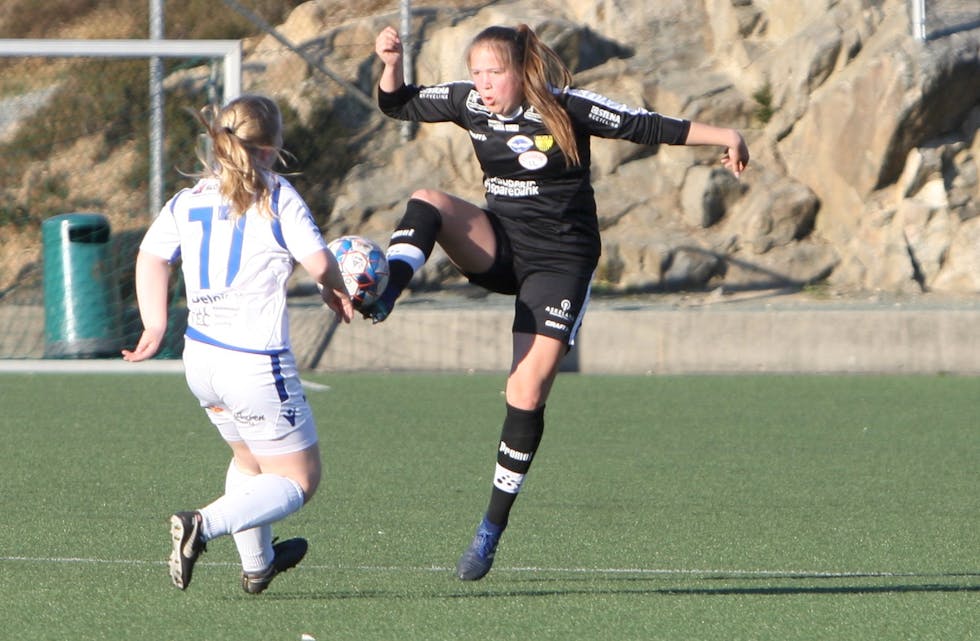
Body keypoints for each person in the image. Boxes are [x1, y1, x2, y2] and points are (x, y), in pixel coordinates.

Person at [366, 24, 749, 581]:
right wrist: (390, 62)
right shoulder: (467, 103)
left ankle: (490, 528)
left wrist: (726, 133)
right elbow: (395, 104)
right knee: (428, 201)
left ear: (523, 71)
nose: (483, 83)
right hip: (499, 245)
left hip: (559, 265)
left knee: (525, 390)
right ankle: (387, 294)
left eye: (494, 72)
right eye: (476, 72)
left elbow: (648, 125)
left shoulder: (569, 108)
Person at [122, 94, 354, 592]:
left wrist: (155, 325)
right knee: (298, 479)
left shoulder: (189, 198)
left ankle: (258, 564)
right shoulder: (277, 194)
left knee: (250, 462)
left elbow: (151, 257)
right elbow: (317, 261)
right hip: (253, 362)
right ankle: (201, 525)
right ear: (271, 149)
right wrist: (334, 286)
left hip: (200, 357)